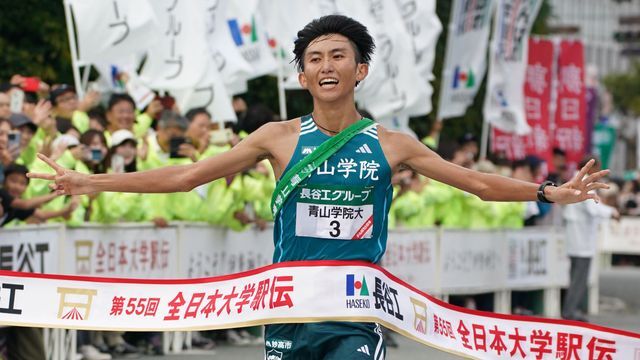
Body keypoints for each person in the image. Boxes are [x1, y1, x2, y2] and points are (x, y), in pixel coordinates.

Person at [29, 15, 609, 359]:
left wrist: (546, 192)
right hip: (287, 304)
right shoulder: (276, 137)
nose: (327, 65)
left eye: (340, 55)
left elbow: (477, 184)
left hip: (357, 307)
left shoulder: (391, 143)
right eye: (315, 58)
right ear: (301, 75)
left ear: (360, 70)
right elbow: (184, 178)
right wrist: (87, 179)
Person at [562, 157, 618, 322]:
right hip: (580, 240)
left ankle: (571, 309)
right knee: (579, 278)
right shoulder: (581, 182)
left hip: (580, 238)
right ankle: (570, 311)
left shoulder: (578, 180)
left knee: (577, 278)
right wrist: (612, 212)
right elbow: (593, 207)